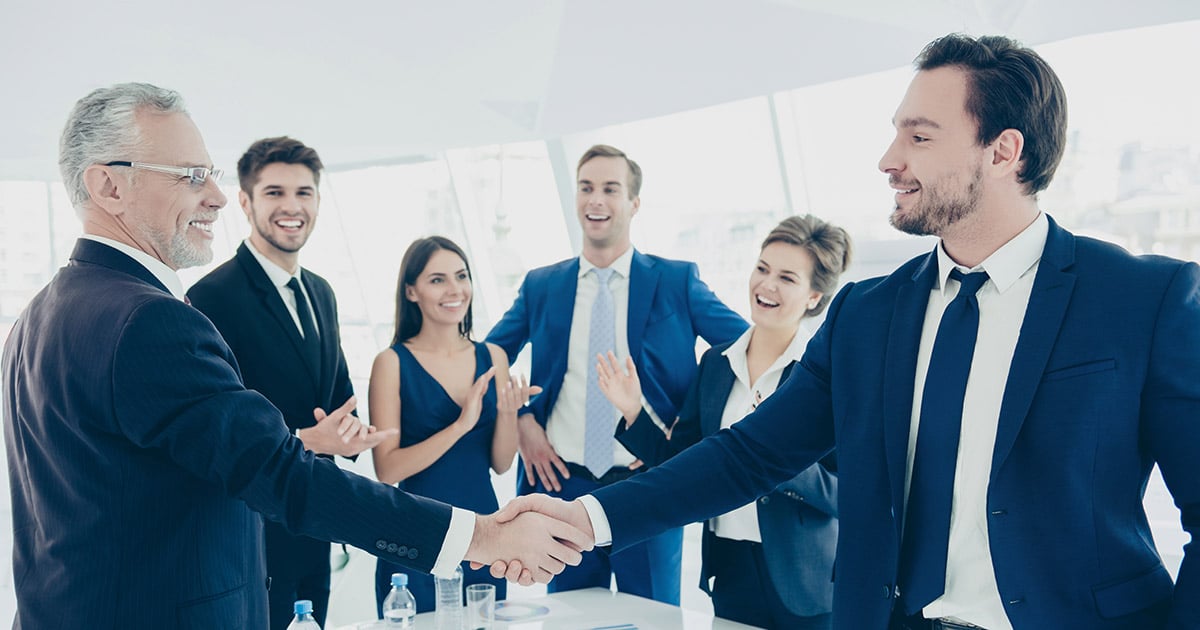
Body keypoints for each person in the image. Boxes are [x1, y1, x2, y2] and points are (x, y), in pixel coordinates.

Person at [495, 34, 1200, 629]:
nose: (889, 159)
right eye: (896, 132)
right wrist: (584, 520)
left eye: (919, 137)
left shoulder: (1144, 299)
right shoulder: (865, 315)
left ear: (1003, 150)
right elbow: (746, 457)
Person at [1, 82, 589, 628]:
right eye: (189, 175)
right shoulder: (151, 321)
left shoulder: (35, 320)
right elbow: (282, 473)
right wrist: (480, 537)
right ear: (108, 185)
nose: (215, 197)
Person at [485, 144, 747, 604]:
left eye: (610, 189)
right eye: (586, 188)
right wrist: (521, 420)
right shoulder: (542, 285)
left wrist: (682, 435)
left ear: (634, 203)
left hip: (647, 484)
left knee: (652, 617)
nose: (596, 200)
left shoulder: (676, 280)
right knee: (569, 616)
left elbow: (747, 350)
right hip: (560, 486)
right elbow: (483, 360)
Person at [596, 214, 850, 629]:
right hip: (729, 567)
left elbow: (848, 493)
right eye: (762, 269)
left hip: (806, 578)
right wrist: (633, 412)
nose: (766, 285)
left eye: (787, 278)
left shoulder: (825, 378)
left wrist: (772, 457)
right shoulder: (716, 364)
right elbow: (684, 465)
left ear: (814, 296)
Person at [186, 136, 384, 630]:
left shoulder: (321, 291)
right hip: (251, 528)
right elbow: (214, 428)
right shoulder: (211, 296)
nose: (292, 207)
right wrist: (302, 440)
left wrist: (355, 433)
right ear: (247, 202)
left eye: (304, 193)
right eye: (275, 193)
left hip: (314, 516)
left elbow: (335, 394)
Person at [369, 236, 532, 614]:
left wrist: (509, 413)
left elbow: (501, 463)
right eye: (437, 279)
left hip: (484, 532)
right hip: (414, 532)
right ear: (411, 291)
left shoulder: (493, 356)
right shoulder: (391, 362)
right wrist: (460, 425)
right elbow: (387, 469)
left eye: (461, 276)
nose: (455, 289)